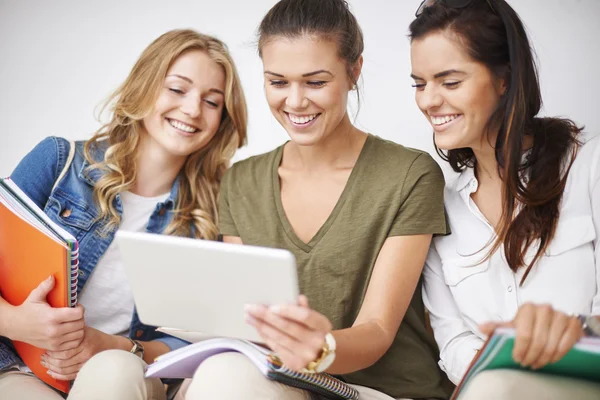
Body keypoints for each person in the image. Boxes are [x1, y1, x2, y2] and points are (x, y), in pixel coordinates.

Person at [174, 1, 450, 400]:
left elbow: (377, 329)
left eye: (315, 82)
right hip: (277, 384)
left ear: (353, 71)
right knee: (217, 375)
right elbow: (244, 322)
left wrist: (322, 348)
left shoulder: (410, 174)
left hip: (376, 390)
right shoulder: (242, 181)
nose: (296, 102)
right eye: (278, 82)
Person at [0, 29, 247, 400]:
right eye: (177, 89)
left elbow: (198, 342)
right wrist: (19, 323)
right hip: (19, 365)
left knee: (115, 370)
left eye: (211, 102)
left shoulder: (212, 213)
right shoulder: (58, 162)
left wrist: (110, 345)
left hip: (125, 377)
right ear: (145, 87)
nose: (193, 109)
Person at [409, 0, 600, 399]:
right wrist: (503, 361)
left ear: (505, 80)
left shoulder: (589, 168)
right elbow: (454, 341)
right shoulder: (438, 205)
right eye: (419, 83)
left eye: (449, 81)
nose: (428, 101)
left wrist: (575, 332)